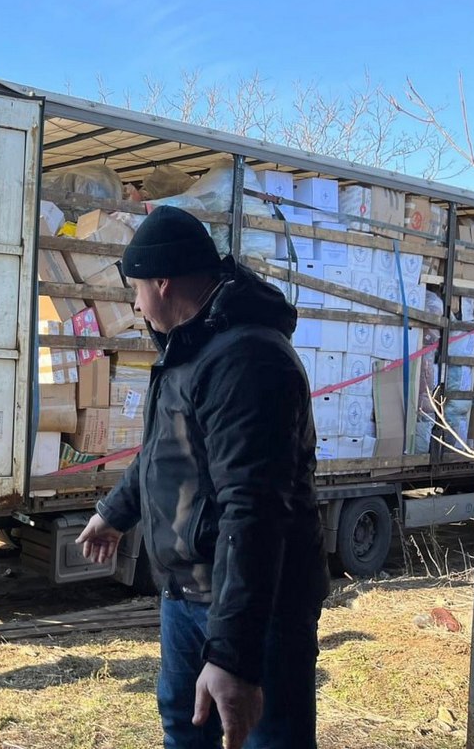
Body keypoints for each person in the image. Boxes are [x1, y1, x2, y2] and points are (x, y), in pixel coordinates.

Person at [75, 205, 328, 749]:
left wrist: (233, 654)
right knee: (184, 731)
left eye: (136, 289)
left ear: (162, 283)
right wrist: (113, 514)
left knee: (266, 739)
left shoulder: (247, 360)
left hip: (256, 607)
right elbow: (165, 452)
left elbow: (254, 509)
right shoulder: (192, 348)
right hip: (187, 593)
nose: (135, 303)